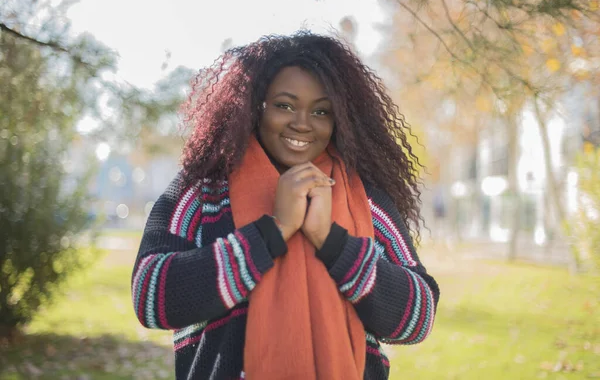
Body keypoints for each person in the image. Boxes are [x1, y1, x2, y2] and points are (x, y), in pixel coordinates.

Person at [132, 31, 440, 380]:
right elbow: (150, 295)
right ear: (253, 107)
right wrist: (271, 232)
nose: (302, 123)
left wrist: (332, 242)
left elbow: (418, 318)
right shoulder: (203, 193)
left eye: (321, 111)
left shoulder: (368, 202)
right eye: (284, 105)